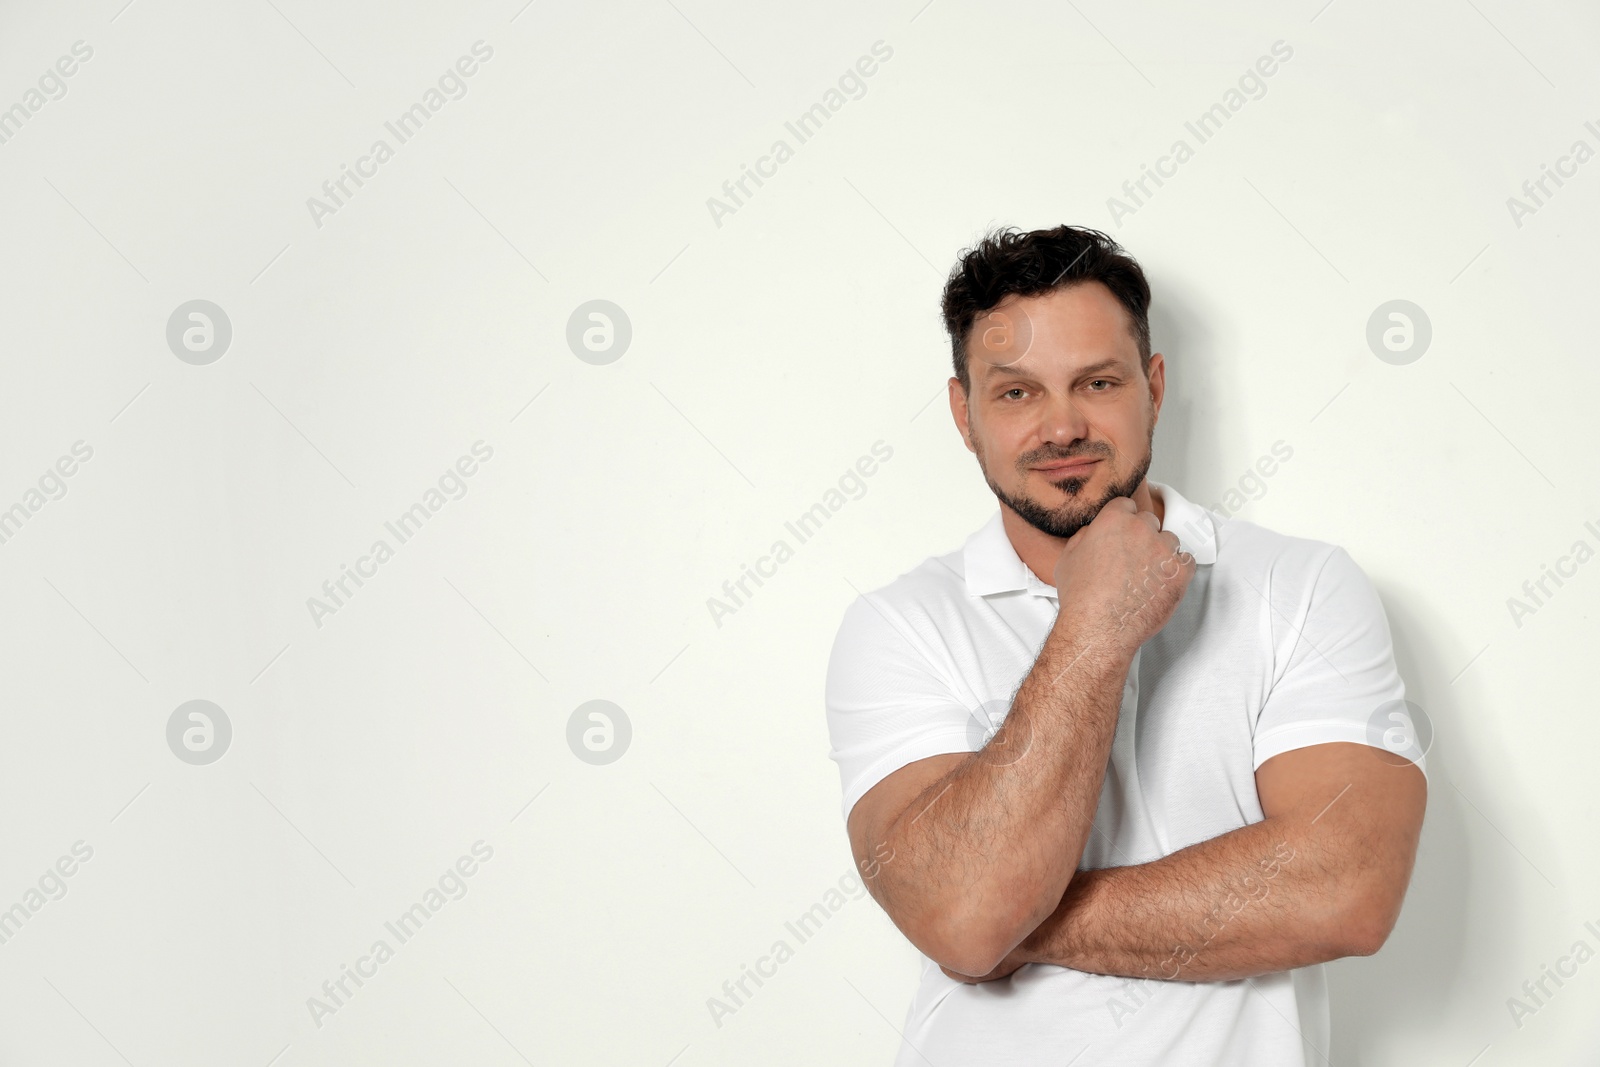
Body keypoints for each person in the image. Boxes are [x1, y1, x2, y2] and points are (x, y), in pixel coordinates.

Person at [823, 224, 1427, 1065]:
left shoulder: (1305, 586)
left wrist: (1015, 923)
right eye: (1016, 393)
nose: (1061, 426)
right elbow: (958, 918)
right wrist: (1095, 627)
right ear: (965, 414)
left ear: (1153, 386)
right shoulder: (901, 625)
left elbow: (1347, 891)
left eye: (1097, 382)